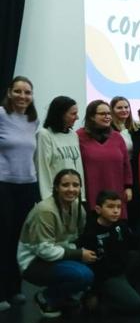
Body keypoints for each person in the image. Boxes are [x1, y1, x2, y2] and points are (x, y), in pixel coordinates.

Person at [18, 169, 94, 318]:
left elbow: (77, 237)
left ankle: (63, 296)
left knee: (94, 264)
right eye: (65, 185)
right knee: (83, 275)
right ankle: (46, 298)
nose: (71, 189)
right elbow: (44, 250)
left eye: (75, 185)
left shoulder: (77, 207)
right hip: (34, 261)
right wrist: (78, 254)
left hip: (58, 254)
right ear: (56, 187)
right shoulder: (46, 211)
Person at [0, 76, 41, 311]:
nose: (23, 96)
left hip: (27, 185)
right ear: (9, 92)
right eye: (18, 91)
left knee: (19, 240)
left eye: (27, 92)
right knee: (3, 239)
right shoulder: (1, 115)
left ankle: (14, 289)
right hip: (3, 184)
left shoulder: (32, 120)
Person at [79, 191, 140, 314]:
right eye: (110, 207)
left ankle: (124, 288)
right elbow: (91, 266)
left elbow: (135, 244)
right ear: (98, 209)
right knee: (136, 305)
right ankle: (103, 298)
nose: (116, 211)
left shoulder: (120, 225)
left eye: (118, 207)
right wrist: (93, 291)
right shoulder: (90, 232)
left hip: (121, 270)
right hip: (105, 277)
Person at [77, 100, 132, 217]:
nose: (107, 117)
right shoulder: (79, 136)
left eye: (109, 114)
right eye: (103, 114)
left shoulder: (117, 137)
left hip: (115, 189)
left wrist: (128, 187)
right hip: (91, 191)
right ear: (91, 116)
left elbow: (126, 164)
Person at [36, 96, 84, 200]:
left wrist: (81, 196)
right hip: (55, 198)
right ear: (61, 115)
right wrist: (48, 198)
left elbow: (78, 167)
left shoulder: (73, 135)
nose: (77, 117)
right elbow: (43, 168)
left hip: (73, 196)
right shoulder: (44, 135)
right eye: (73, 114)